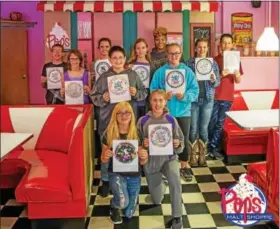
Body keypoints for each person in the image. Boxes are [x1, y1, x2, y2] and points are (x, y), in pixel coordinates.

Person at [91, 45, 147, 197]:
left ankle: (129, 176)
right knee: (106, 151)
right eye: (114, 58)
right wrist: (102, 98)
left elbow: (144, 93)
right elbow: (93, 97)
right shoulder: (103, 77)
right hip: (108, 120)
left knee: (128, 148)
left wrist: (136, 93)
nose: (117, 60)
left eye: (120, 57)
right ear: (110, 59)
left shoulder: (133, 75)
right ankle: (105, 180)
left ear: (124, 59)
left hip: (128, 122)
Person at [150, 43, 199, 182]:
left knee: (183, 138)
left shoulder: (188, 72)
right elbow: (153, 90)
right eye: (171, 53)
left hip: (183, 112)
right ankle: (165, 167)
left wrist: (185, 96)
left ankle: (184, 165)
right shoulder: (160, 72)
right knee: (164, 138)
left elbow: (195, 91)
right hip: (165, 112)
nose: (174, 56)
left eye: (176, 53)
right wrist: (164, 96)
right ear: (166, 54)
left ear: (180, 53)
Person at [137, 89, 184, 229]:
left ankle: (177, 217)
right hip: (151, 161)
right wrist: (142, 145)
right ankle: (162, 182)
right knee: (157, 200)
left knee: (175, 180)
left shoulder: (171, 119)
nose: (157, 104)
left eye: (160, 100)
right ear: (150, 102)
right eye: (154, 100)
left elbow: (180, 141)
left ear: (165, 102)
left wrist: (178, 144)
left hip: (168, 159)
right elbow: (135, 142)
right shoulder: (143, 120)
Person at [101, 102, 148, 224]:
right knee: (122, 202)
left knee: (129, 213)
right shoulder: (108, 134)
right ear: (115, 116)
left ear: (132, 115)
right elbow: (103, 159)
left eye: (127, 112)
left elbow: (143, 161)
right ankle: (114, 205)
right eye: (120, 113)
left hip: (134, 175)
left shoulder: (137, 133)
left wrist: (144, 156)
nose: (124, 116)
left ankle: (126, 200)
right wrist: (105, 156)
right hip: (116, 174)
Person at [208, 34, 244, 160]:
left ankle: (214, 149)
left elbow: (238, 80)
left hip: (227, 97)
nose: (226, 45)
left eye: (228, 43)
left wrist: (237, 74)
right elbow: (209, 79)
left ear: (232, 44)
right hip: (213, 97)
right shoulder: (213, 60)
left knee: (220, 124)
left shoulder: (236, 60)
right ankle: (210, 148)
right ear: (220, 45)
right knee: (211, 123)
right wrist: (221, 75)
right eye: (224, 43)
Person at [185, 38, 220, 167]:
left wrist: (213, 79)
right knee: (193, 128)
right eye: (199, 47)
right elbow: (185, 81)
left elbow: (217, 83)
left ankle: (202, 156)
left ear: (207, 48)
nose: (202, 49)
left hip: (207, 99)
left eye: (204, 47)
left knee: (204, 129)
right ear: (195, 48)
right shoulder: (188, 63)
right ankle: (192, 156)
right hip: (193, 100)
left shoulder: (213, 64)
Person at [90, 38, 112, 166]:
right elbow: (92, 82)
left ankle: (112, 152)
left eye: (107, 46)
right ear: (98, 48)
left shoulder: (114, 62)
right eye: (102, 47)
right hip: (100, 99)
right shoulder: (94, 64)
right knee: (100, 127)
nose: (104, 49)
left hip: (113, 99)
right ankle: (101, 154)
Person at [127, 38, 156, 118]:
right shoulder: (130, 65)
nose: (141, 50)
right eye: (138, 48)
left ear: (147, 49)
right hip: (133, 99)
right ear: (135, 50)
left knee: (145, 123)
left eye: (143, 48)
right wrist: (127, 70)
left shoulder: (152, 66)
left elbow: (154, 84)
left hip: (147, 100)